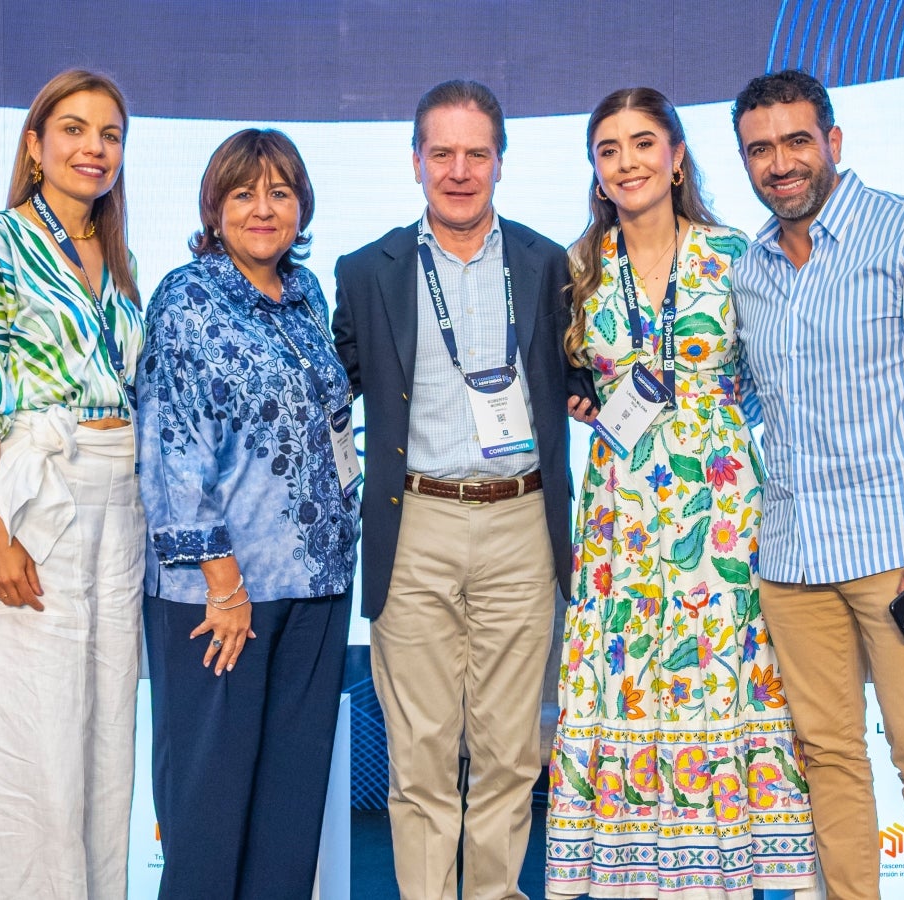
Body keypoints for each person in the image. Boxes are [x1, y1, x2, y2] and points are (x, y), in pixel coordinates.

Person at [731, 69, 904, 899]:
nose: (780, 163)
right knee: (830, 759)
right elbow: (736, 396)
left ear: (833, 143)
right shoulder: (749, 269)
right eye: (760, 149)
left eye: (796, 141)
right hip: (792, 564)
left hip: (894, 557)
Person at [546, 87, 816, 899]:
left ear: (676, 158)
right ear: (597, 173)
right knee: (624, 676)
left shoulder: (737, 253)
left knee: (719, 677)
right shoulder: (579, 268)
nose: (626, 162)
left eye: (641, 144)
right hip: (620, 519)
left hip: (722, 516)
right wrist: (580, 395)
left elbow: (778, 378)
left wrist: (715, 431)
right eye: (608, 150)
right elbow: (569, 377)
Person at [333, 79, 596, 899]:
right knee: (420, 759)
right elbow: (327, 395)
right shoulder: (364, 271)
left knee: (512, 753)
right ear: (415, 162)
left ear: (500, 163)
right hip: (414, 527)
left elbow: (582, 373)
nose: (457, 171)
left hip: (520, 522)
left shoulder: (548, 262)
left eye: (474, 154)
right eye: (440, 153)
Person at [0, 70, 143, 898]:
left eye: (111, 135)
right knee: (37, 740)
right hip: (34, 496)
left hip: (119, 500)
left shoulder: (119, 255)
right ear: (34, 145)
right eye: (73, 129)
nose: (94, 148)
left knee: (104, 740)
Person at [136, 128, 360, 899]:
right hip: (221, 598)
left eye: (281, 191)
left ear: (302, 205)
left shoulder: (305, 299)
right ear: (214, 205)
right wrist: (223, 584)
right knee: (209, 815)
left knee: (288, 818)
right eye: (244, 193)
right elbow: (173, 446)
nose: (264, 208)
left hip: (318, 585)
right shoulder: (187, 297)